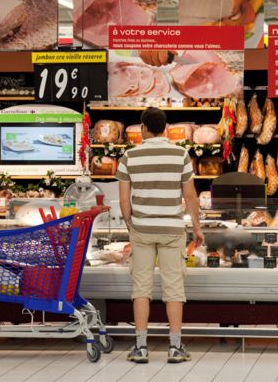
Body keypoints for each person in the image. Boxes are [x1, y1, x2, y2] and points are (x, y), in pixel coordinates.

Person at [115, 107, 204, 364]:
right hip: (172, 229)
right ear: (165, 128)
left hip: (142, 229)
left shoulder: (129, 156)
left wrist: (132, 225)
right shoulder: (181, 155)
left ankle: (141, 347)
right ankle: (175, 348)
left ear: (143, 128)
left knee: (141, 287)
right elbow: (190, 196)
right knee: (174, 288)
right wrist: (197, 227)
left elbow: (124, 200)